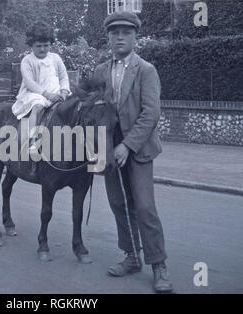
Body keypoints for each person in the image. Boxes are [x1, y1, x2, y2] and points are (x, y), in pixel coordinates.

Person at [94, 11, 173, 293]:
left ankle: (158, 264)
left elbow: (151, 114)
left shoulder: (146, 70)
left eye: (126, 33)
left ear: (135, 37)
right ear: (108, 37)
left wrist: (127, 145)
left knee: (144, 207)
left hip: (137, 150)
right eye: (115, 33)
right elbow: (94, 109)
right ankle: (131, 257)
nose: (119, 37)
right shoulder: (101, 71)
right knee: (118, 204)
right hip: (109, 151)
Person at [12, 22, 70, 153]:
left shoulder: (55, 58)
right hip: (35, 93)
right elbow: (29, 82)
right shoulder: (27, 61)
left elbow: (63, 76)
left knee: (73, 108)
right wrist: (46, 94)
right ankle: (33, 140)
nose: (43, 49)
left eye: (46, 45)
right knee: (37, 107)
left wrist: (64, 92)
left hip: (56, 92)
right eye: (39, 46)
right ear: (31, 45)